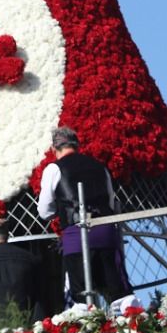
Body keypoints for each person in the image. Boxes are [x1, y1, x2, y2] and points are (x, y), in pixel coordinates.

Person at [37, 126, 129, 305]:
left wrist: (60, 209)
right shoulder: (99, 167)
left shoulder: (54, 169)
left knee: (80, 297)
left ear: (54, 149)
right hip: (106, 234)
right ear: (77, 145)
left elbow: (44, 211)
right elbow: (110, 202)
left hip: (77, 236)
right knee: (117, 291)